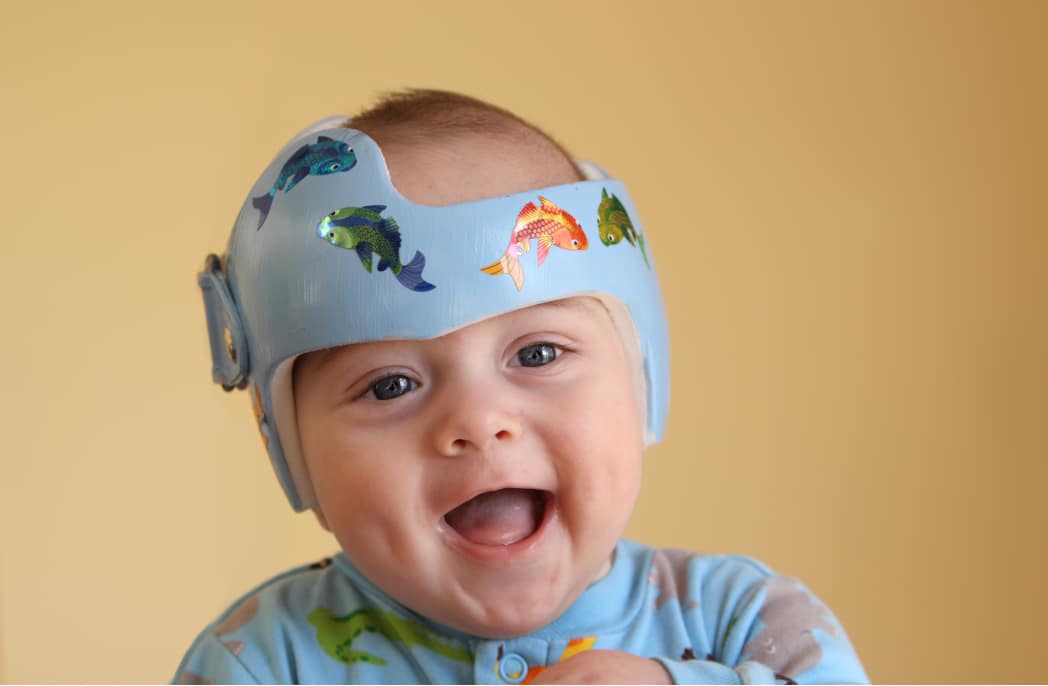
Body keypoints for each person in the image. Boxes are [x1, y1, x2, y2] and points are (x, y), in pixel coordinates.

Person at [179, 90, 868, 684]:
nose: (478, 421)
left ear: (639, 379)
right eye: (389, 385)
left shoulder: (743, 618)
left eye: (537, 352)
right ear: (296, 457)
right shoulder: (262, 662)